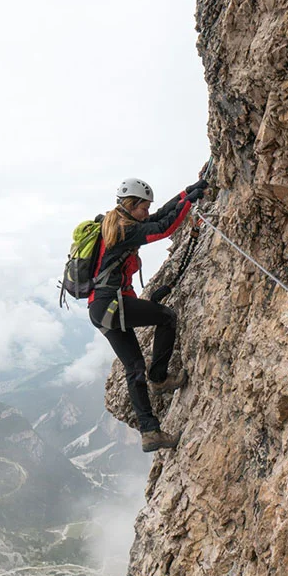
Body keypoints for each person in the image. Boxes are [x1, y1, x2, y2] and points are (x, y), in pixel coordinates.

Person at [88, 177, 208, 452]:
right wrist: (190, 203)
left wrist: (185, 193)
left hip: (101, 309)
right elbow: (164, 228)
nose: (146, 211)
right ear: (132, 205)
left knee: (134, 368)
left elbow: (158, 216)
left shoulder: (118, 223)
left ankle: (150, 432)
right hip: (112, 305)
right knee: (166, 316)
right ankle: (159, 378)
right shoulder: (124, 229)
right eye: (143, 207)